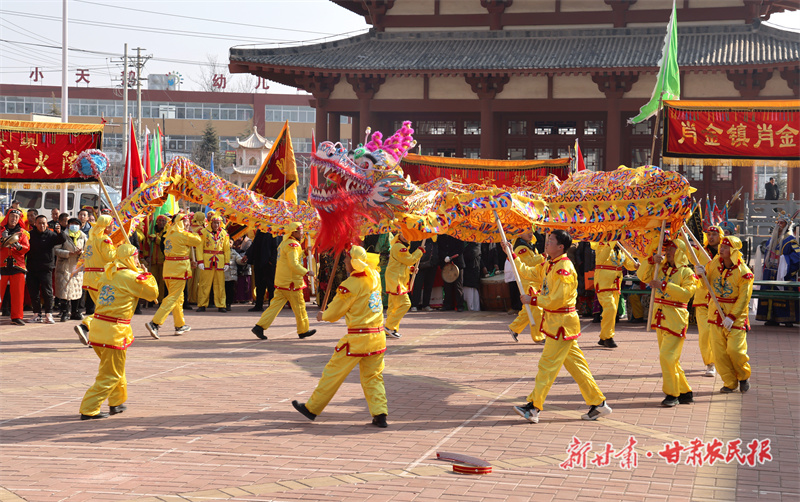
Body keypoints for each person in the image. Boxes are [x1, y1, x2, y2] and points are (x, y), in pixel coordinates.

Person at [511, 230, 612, 423]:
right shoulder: (550, 264)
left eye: (550, 241)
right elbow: (528, 272)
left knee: (547, 367)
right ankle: (598, 403)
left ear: (561, 247)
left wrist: (533, 299)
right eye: (547, 241)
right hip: (558, 325)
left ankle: (534, 407)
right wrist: (512, 255)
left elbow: (558, 300)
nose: (546, 244)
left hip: (562, 325)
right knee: (578, 368)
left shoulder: (564, 268)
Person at [292, 245, 389, 428]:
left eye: (346, 259)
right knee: (373, 377)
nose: (344, 262)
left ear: (353, 262)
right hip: (377, 337)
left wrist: (324, 315)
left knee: (332, 373)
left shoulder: (350, 285)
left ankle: (312, 408)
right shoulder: (374, 276)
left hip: (357, 340)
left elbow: (335, 312)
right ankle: (380, 413)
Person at [78, 244, 159, 420]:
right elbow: (153, 293)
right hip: (114, 331)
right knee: (111, 373)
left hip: (98, 327)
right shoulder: (132, 277)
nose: (138, 261)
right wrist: (147, 275)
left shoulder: (109, 273)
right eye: (136, 257)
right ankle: (89, 408)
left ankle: (116, 402)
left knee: (115, 368)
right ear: (130, 258)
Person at [637, 237, 697, 407]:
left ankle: (672, 394)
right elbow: (642, 276)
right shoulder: (660, 268)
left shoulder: (687, 273)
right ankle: (685, 391)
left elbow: (686, 294)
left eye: (672, 249)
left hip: (676, 319)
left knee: (667, 357)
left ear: (680, 252)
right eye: (667, 248)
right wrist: (650, 261)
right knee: (671, 360)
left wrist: (664, 286)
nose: (668, 251)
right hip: (660, 317)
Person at [698, 236, 754, 393]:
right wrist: (702, 275)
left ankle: (743, 375)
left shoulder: (744, 273)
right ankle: (729, 382)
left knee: (735, 350)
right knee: (719, 353)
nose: (721, 249)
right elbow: (706, 286)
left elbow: (744, 299)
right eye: (721, 246)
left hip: (735, 318)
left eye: (726, 247)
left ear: (734, 251)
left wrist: (732, 317)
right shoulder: (713, 265)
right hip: (715, 314)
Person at [251, 222, 316, 340]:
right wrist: (306, 272)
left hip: (282, 281)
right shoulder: (293, 245)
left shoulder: (285, 243)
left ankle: (259, 326)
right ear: (294, 232)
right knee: (300, 307)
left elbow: (294, 259)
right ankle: (303, 330)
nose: (302, 234)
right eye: (300, 231)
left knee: (274, 307)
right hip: (292, 282)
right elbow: (294, 264)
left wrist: (306, 252)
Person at [146, 212, 203, 339]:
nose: (188, 224)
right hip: (178, 270)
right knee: (172, 298)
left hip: (169, 270)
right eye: (186, 222)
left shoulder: (169, 234)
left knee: (178, 298)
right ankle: (155, 323)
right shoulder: (183, 235)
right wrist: (194, 231)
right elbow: (198, 241)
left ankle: (179, 325)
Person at [685, 225, 723, 377]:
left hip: (720, 299)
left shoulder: (727, 253)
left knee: (719, 334)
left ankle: (722, 361)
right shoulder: (699, 251)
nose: (711, 237)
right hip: (702, 298)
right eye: (709, 234)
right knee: (705, 333)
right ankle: (710, 363)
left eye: (714, 234)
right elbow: (686, 249)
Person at [75, 215, 117, 345]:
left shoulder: (92, 240)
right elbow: (110, 257)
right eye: (111, 225)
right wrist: (120, 250)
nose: (112, 227)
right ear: (106, 227)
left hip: (90, 278)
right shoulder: (105, 240)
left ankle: (95, 337)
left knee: (101, 307)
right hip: (101, 278)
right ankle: (86, 325)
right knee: (106, 309)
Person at [592, 241, 639, 349]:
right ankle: (608, 337)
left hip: (616, 283)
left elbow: (628, 264)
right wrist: (611, 243)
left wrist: (635, 266)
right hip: (603, 282)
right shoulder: (601, 245)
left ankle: (604, 336)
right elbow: (601, 258)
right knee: (610, 308)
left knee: (612, 311)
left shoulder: (622, 248)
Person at [756, 212, 799, 326]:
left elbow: (798, 255)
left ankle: (787, 319)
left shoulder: (791, 240)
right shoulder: (772, 239)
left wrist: (784, 260)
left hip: (783, 272)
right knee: (769, 294)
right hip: (770, 270)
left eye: (782, 223)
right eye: (778, 222)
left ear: (787, 225)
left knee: (784, 294)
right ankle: (771, 318)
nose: (779, 225)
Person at [26, 214, 66, 324]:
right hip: (32, 268)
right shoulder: (30, 235)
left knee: (47, 292)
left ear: (47, 224)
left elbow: (62, 240)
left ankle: (49, 314)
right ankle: (37, 314)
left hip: (46, 268)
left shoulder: (51, 235)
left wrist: (59, 232)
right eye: (39, 223)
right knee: (34, 292)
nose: (42, 225)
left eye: (44, 223)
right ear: (35, 224)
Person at [384, 233, 424, 338]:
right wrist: (419, 251)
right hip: (396, 281)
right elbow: (409, 260)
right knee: (406, 304)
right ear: (399, 234)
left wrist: (411, 269)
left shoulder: (399, 246)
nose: (406, 236)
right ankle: (389, 326)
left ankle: (390, 329)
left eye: (407, 234)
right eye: (403, 234)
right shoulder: (399, 247)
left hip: (394, 280)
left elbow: (401, 264)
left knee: (394, 307)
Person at [508, 231, 545, 343]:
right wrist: (543, 256)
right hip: (528, 282)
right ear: (519, 233)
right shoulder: (520, 248)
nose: (530, 234)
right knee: (536, 309)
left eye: (531, 232)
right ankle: (538, 337)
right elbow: (528, 263)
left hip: (533, 281)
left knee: (528, 309)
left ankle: (514, 328)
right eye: (527, 232)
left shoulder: (529, 246)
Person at [195, 213, 230, 313]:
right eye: (214, 223)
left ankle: (221, 305)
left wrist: (227, 262)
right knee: (204, 284)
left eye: (218, 223)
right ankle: (202, 304)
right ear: (211, 223)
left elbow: (227, 249)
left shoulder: (224, 234)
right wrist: (200, 261)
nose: (216, 225)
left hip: (219, 261)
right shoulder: (203, 232)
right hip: (207, 261)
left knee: (220, 284)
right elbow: (199, 247)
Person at [0, 209, 30, 326]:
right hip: (1, 265)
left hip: (17, 266)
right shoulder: (1, 230)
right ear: (7, 217)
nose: (14, 219)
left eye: (16, 217)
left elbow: (26, 248)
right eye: (12, 216)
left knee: (18, 294)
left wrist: (18, 246)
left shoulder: (23, 233)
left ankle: (17, 316)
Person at [54, 217, 87, 322]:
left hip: (76, 266)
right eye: (72, 223)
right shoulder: (63, 236)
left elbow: (88, 251)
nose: (74, 226)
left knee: (76, 290)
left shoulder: (83, 237)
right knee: (64, 290)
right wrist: (69, 253)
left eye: (76, 224)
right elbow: (56, 250)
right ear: (68, 225)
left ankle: (75, 312)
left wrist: (81, 253)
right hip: (64, 266)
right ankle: (64, 312)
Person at [244, 229, 278, 311]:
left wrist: (272, 261)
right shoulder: (260, 231)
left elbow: (276, 247)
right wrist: (247, 255)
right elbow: (255, 244)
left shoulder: (274, 230)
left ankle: (272, 305)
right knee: (259, 284)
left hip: (269, 263)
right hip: (259, 261)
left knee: (271, 285)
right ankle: (259, 305)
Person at [438, 234, 465, 311]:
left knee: (458, 285)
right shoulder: (441, 235)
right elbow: (440, 248)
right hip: (445, 263)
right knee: (447, 285)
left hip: (457, 263)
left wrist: (451, 257)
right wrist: (444, 256)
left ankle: (460, 305)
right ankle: (447, 305)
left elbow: (460, 249)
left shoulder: (457, 234)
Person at [410, 239, 437, 312]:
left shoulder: (434, 240)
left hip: (431, 265)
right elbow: (412, 251)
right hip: (419, 266)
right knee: (417, 286)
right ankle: (414, 304)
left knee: (428, 286)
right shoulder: (418, 239)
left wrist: (435, 261)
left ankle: (426, 304)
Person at [148, 215, 169, 303]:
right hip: (152, 260)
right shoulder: (151, 229)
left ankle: (160, 300)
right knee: (152, 281)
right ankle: (151, 299)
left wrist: (156, 239)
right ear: (157, 221)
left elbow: (165, 243)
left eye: (164, 221)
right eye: (160, 220)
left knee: (162, 282)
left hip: (162, 260)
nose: (162, 223)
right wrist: (146, 256)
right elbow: (146, 244)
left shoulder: (167, 232)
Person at [462, 242, 482, 311]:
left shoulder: (476, 244)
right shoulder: (467, 244)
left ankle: (473, 308)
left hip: (472, 271)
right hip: (467, 271)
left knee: (472, 294)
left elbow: (471, 254)